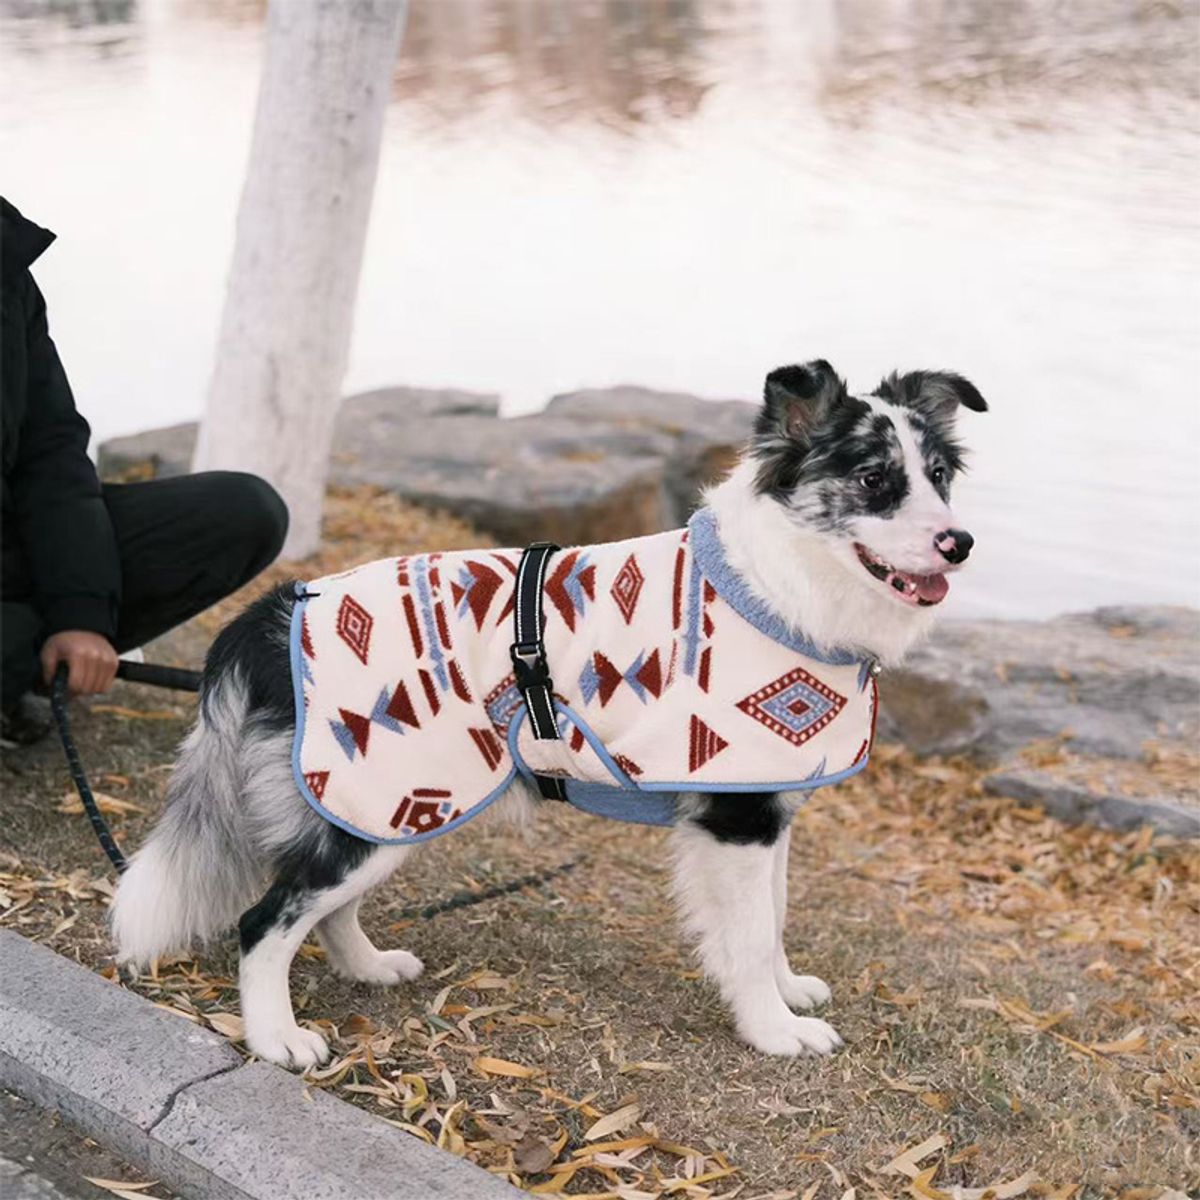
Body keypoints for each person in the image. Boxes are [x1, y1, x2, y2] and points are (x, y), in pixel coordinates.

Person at [1, 197, 288, 742]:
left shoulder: (6, 262)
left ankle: (31, 660)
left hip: (10, 550)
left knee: (243, 511)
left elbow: (52, 451)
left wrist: (81, 614)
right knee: (12, 633)